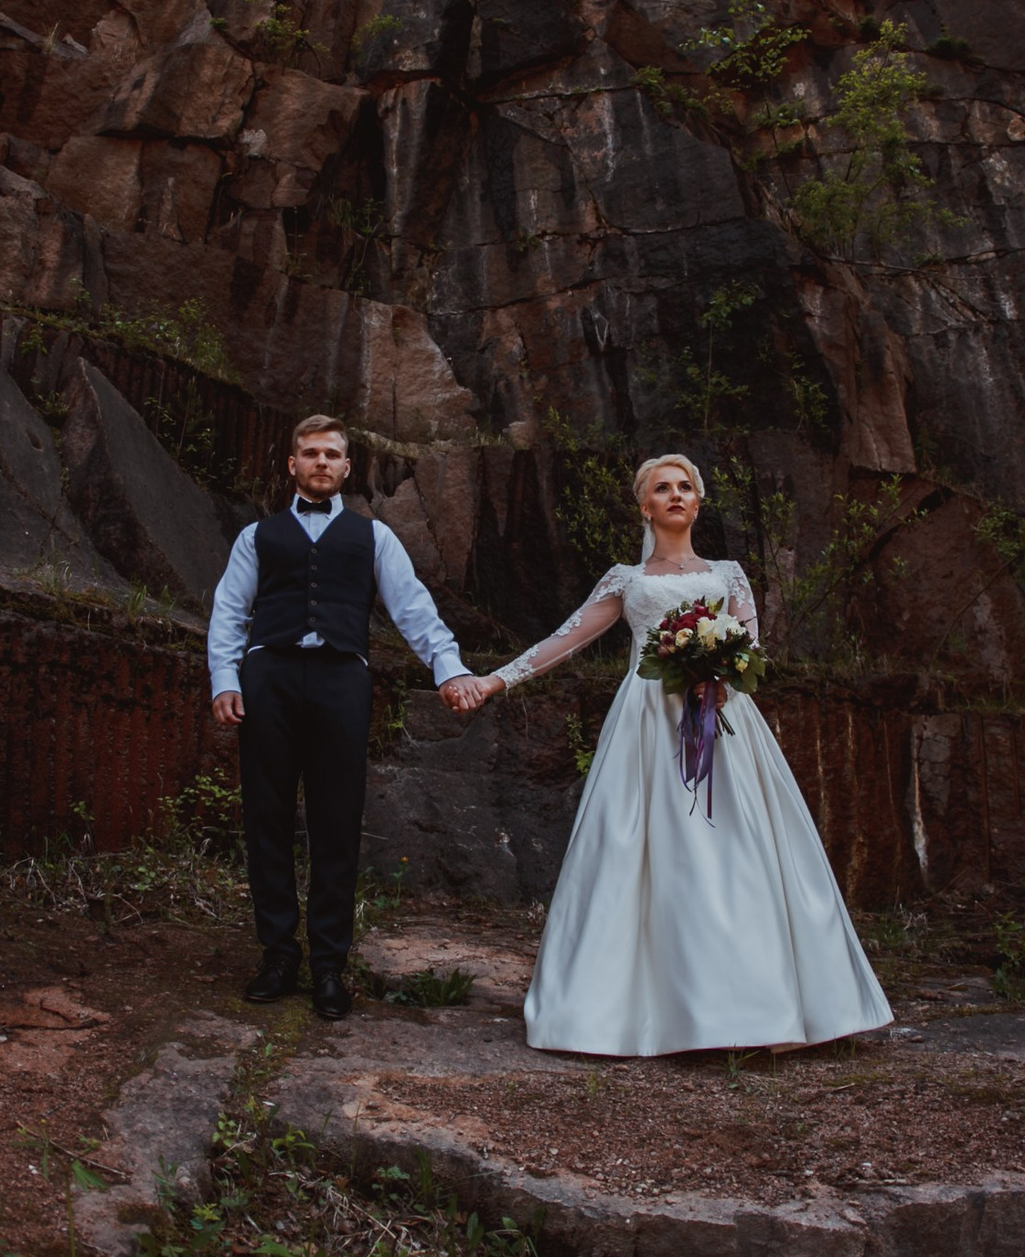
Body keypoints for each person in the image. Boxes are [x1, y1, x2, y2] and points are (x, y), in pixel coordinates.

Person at [452, 454, 892, 1055]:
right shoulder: (626, 580)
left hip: (722, 718)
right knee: (640, 851)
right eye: (663, 488)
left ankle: (762, 1009)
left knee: (741, 851)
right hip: (647, 723)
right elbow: (564, 640)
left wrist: (718, 668)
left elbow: (751, 648)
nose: (677, 495)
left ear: (698, 502)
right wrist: (492, 681)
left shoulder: (729, 573)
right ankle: (636, 1011)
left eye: (686, 487)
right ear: (645, 506)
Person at [206, 415, 477, 1020]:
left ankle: (329, 963)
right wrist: (225, 679)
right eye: (310, 453)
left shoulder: (375, 538)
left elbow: (414, 609)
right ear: (292, 466)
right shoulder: (257, 536)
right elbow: (229, 611)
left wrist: (449, 668)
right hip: (268, 678)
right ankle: (278, 955)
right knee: (266, 816)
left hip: (342, 681)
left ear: (347, 468)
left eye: (332, 454)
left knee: (336, 821)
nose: (321, 462)